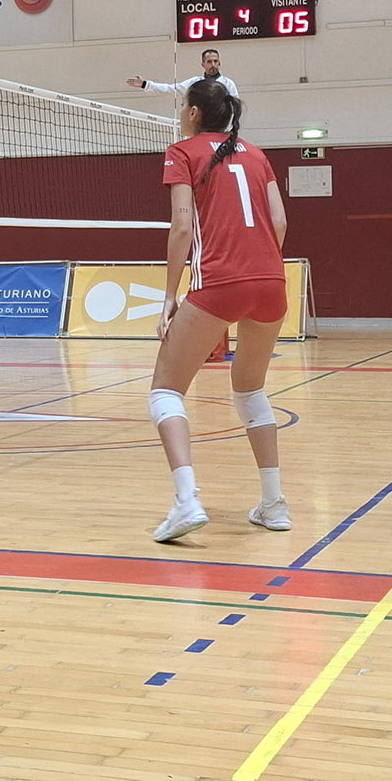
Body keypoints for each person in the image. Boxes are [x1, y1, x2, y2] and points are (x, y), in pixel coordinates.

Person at [148, 78, 290, 542]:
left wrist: (169, 296)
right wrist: (258, 265)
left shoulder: (182, 152)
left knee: (165, 390)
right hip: (271, 280)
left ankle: (186, 500)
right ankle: (274, 504)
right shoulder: (256, 153)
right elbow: (280, 221)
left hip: (220, 281)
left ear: (193, 113)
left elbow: (181, 227)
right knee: (250, 389)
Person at [126, 49, 239, 100]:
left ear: (219, 63)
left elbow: (236, 107)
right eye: (209, 62)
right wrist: (145, 84)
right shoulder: (195, 83)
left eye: (215, 61)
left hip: (223, 132)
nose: (213, 65)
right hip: (202, 131)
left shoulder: (228, 84)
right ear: (203, 64)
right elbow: (171, 89)